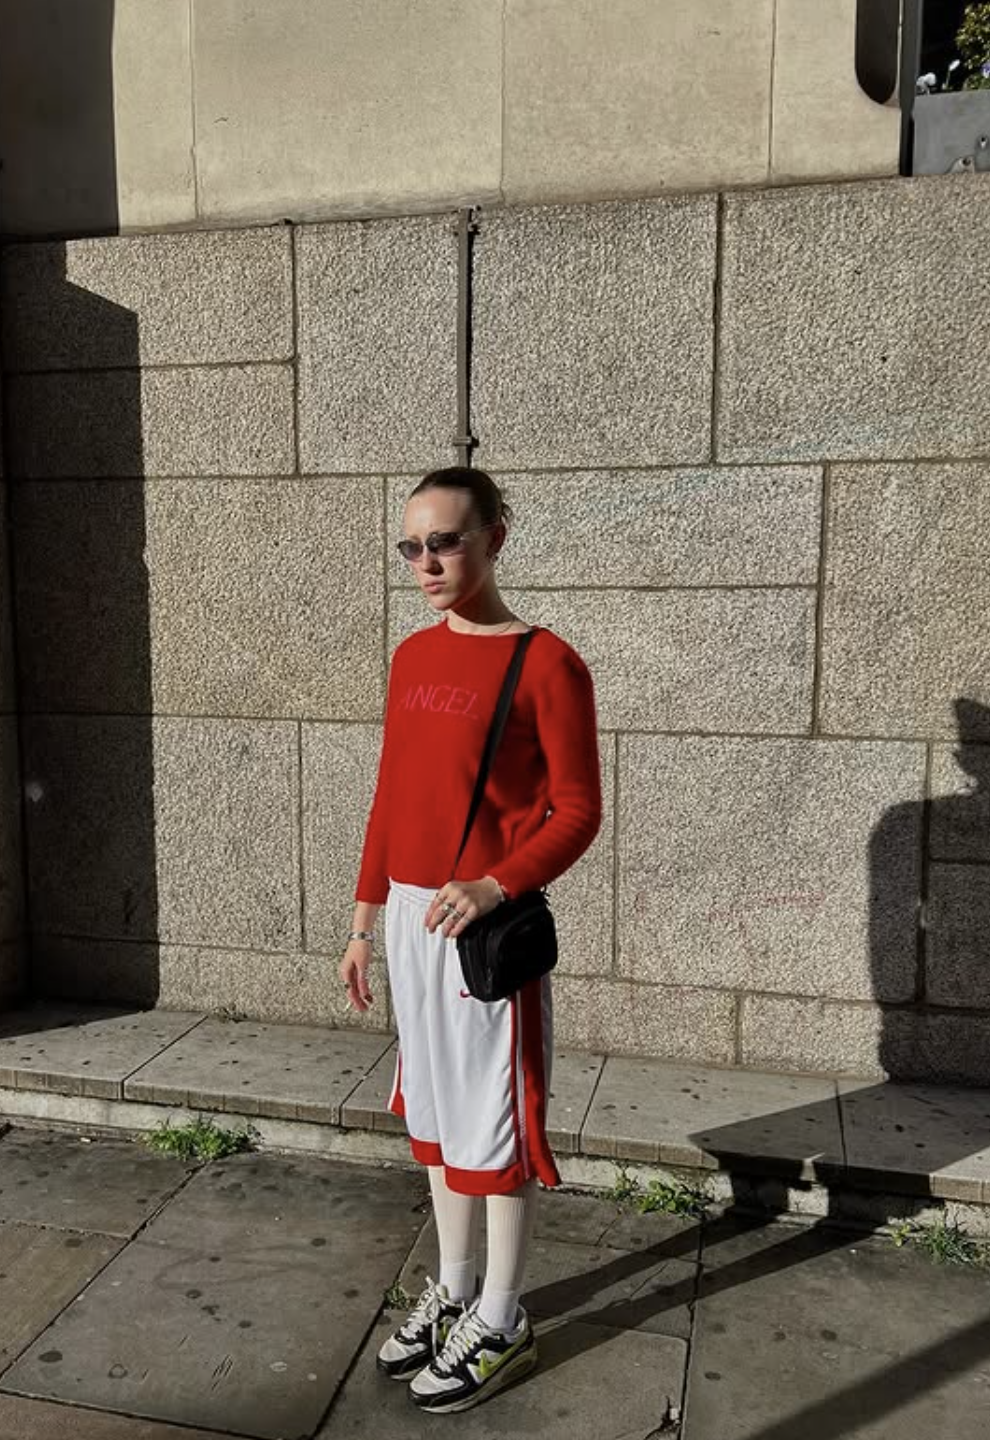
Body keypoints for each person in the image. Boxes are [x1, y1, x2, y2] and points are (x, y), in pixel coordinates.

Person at [339, 465, 602, 1414]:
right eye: (411, 546)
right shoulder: (412, 658)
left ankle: (502, 1311)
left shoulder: (546, 663)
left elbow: (578, 811)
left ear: (495, 536)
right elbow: (389, 797)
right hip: (409, 924)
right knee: (438, 1121)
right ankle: (452, 1289)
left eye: (444, 540)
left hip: (481, 935)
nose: (426, 562)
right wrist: (366, 920)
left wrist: (495, 884)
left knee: (493, 1125)